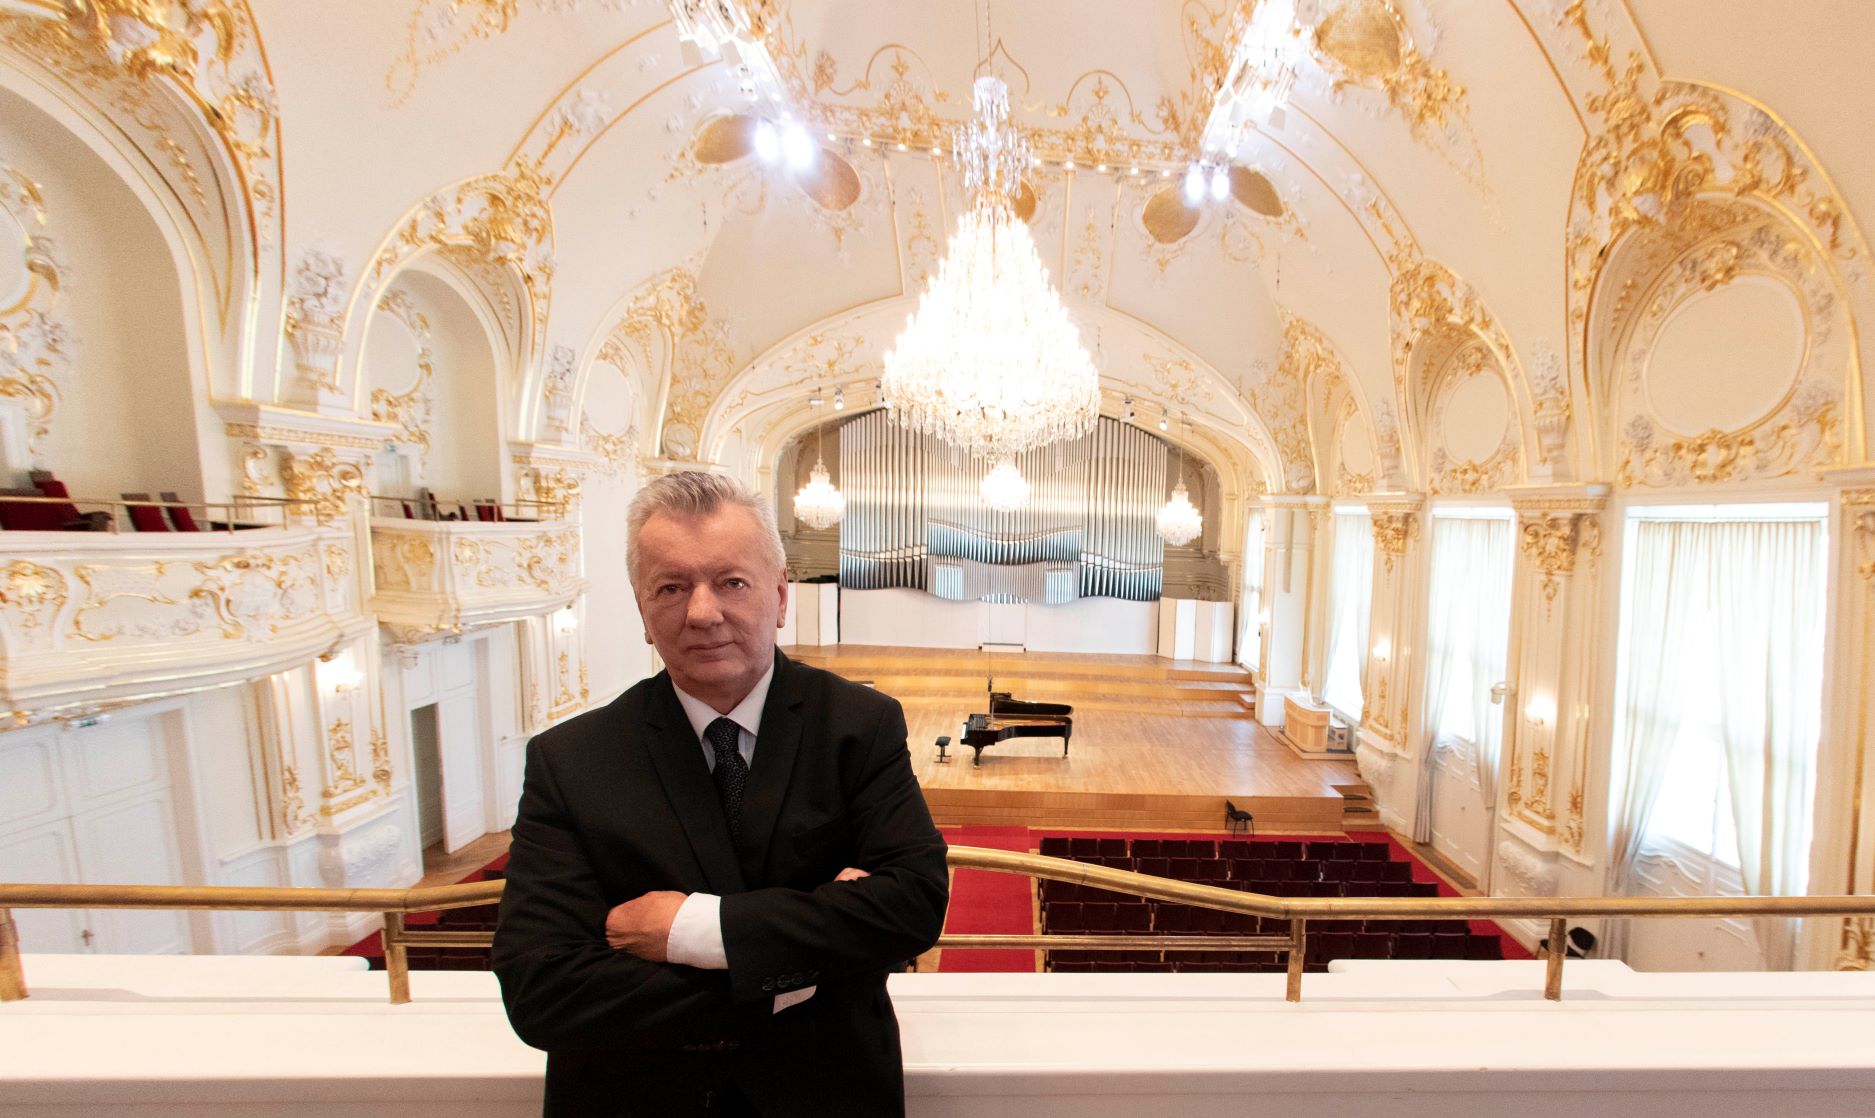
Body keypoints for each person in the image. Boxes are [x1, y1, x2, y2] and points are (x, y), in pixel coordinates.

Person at [493, 471, 949, 1117]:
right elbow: (543, 993)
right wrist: (802, 973)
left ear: (780, 597)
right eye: (671, 587)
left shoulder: (857, 725)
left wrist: (688, 931)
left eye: (731, 582)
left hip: (823, 1097)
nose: (702, 613)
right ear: (643, 613)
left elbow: (911, 907)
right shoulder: (569, 759)